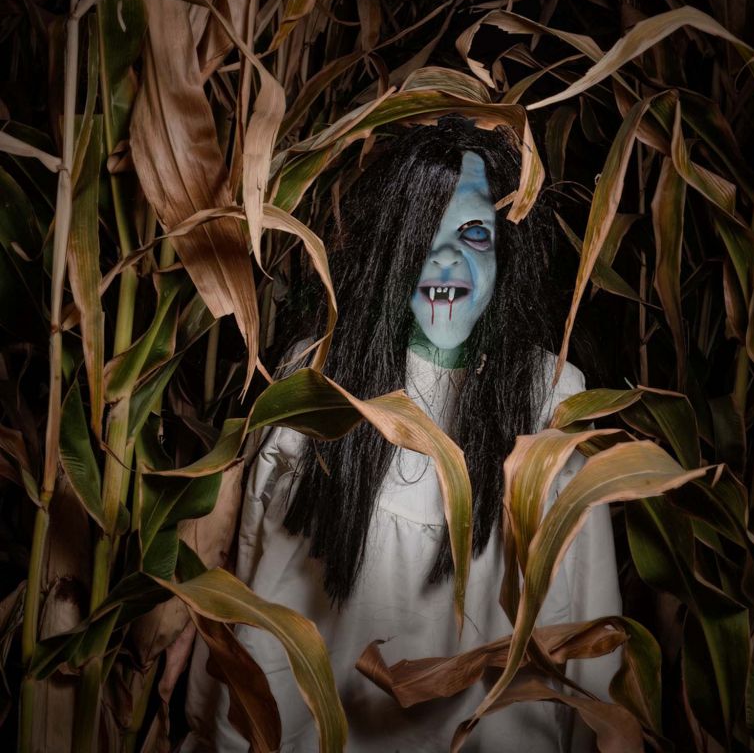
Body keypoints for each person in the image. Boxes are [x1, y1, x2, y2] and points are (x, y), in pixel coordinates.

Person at [183, 117, 621, 752]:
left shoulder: (551, 400)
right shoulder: (317, 380)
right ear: (390, 248)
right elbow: (253, 578)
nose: (447, 257)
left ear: (507, 254)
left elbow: (590, 613)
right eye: (424, 233)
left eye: (474, 233)